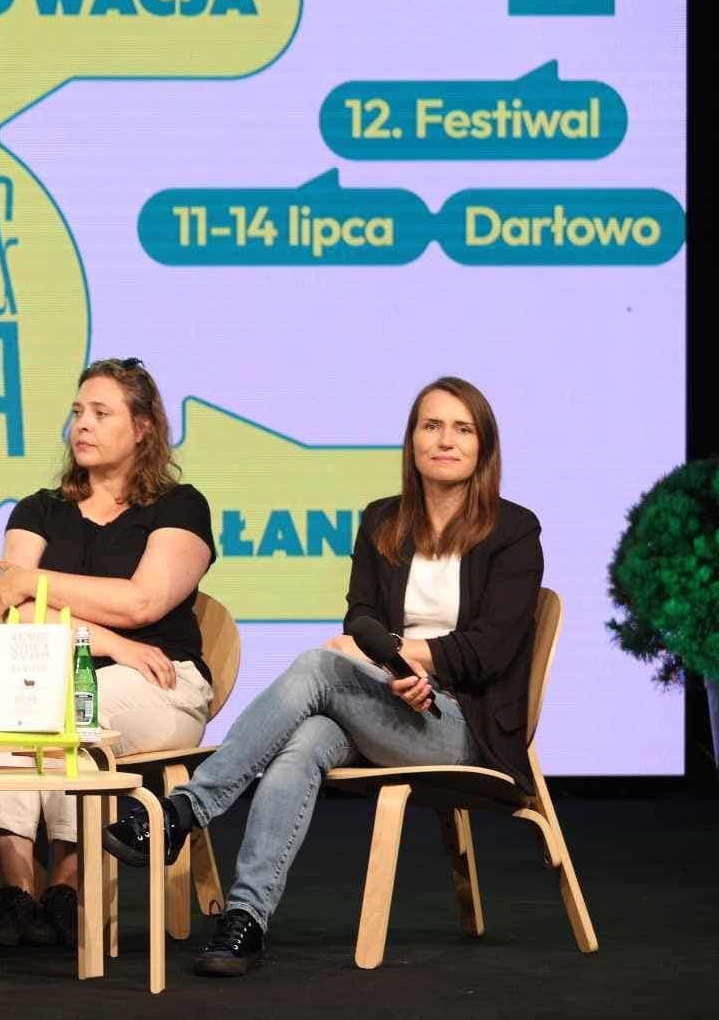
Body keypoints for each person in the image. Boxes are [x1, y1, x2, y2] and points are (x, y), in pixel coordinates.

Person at [104, 376, 543, 978]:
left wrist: (406, 656)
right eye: (432, 426)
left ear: (483, 446)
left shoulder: (514, 531)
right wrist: (391, 666)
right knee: (305, 741)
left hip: (464, 724)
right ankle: (245, 920)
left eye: (462, 429)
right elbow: (361, 615)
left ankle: (186, 810)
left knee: (318, 665)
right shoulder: (383, 520)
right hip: (388, 700)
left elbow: (490, 650)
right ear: (412, 439)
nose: (445, 440)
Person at [0, 358, 217, 948]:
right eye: (78, 411)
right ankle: (18, 893)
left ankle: (67, 889)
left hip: (162, 682)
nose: (82, 424)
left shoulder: (179, 507)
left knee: (71, 708)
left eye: (101, 413)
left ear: (143, 427)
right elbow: (11, 610)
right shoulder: (39, 509)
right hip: (82, 667)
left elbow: (142, 602)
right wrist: (108, 643)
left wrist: (36, 583)